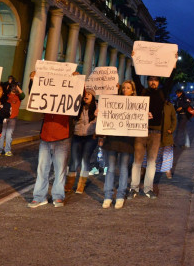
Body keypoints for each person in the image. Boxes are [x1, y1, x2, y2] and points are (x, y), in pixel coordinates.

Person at [99, 80, 136, 208]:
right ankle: (108, 196)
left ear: (132, 91)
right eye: (124, 88)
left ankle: (120, 195)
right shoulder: (114, 101)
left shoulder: (137, 104)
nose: (125, 90)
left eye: (128, 88)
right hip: (113, 139)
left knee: (124, 168)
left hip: (126, 141)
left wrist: (145, 116)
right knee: (110, 168)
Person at [27, 105, 71, 208]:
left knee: (60, 169)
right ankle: (39, 197)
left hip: (62, 137)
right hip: (45, 137)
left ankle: (58, 196)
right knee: (42, 169)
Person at [130, 76, 166, 198]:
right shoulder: (143, 91)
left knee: (151, 162)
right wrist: (134, 62)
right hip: (141, 130)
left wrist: (174, 64)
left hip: (155, 132)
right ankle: (134, 188)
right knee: (137, 162)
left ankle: (148, 189)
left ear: (159, 82)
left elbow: (171, 80)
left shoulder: (162, 93)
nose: (153, 82)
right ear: (148, 81)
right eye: (151, 80)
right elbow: (136, 80)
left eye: (156, 80)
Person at [66, 88, 97, 195]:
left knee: (85, 160)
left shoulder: (97, 108)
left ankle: (81, 185)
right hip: (77, 135)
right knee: (74, 160)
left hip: (90, 137)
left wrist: (99, 115)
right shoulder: (77, 106)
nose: (86, 96)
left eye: (89, 94)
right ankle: (69, 184)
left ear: (93, 96)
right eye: (84, 94)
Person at [0, 77, 24, 157]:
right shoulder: (7, 96)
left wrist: (17, 86)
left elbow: (23, 95)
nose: (13, 88)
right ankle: (0, 149)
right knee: (2, 134)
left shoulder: (18, 96)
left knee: (9, 135)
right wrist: (8, 85)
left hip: (13, 118)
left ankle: (7, 150)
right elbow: (4, 92)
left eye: (14, 87)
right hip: (5, 117)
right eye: (12, 87)